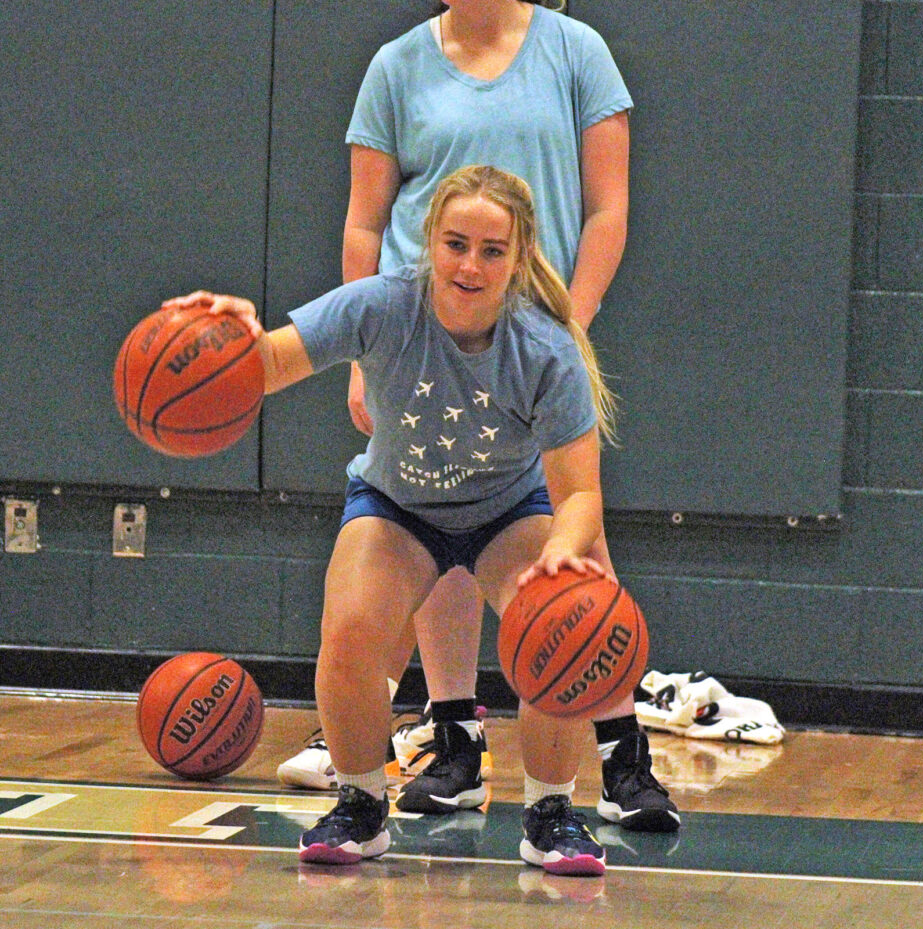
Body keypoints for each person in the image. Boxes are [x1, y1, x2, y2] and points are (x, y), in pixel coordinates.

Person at [277, 0, 679, 833]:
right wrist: (362, 355)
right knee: (429, 523)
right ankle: (454, 736)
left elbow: (608, 206)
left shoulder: (577, 53)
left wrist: (572, 326)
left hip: (530, 330)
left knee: (569, 560)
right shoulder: (396, 64)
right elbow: (364, 219)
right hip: (417, 335)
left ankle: (616, 751)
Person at [165, 165, 623, 874]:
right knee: (349, 632)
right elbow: (266, 364)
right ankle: (360, 804)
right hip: (398, 507)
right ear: (429, 242)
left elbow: (582, 496)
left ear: (520, 256)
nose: (470, 264)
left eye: (492, 250)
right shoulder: (381, 305)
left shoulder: (545, 346)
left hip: (510, 512)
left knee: (563, 626)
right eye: (455, 243)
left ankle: (551, 814)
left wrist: (561, 554)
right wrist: (219, 334)